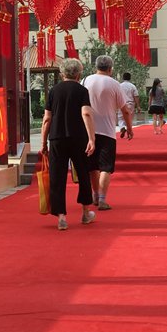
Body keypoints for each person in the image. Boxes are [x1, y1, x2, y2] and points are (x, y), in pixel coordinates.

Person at [41, 58, 96, 231]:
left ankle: (61, 217)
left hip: (57, 138)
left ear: (62, 74)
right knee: (83, 173)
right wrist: (91, 138)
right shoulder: (82, 90)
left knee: (57, 176)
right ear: (78, 74)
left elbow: (47, 118)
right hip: (78, 138)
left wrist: (43, 142)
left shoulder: (54, 91)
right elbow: (86, 113)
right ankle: (86, 213)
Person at [83, 55, 132, 211]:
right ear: (110, 68)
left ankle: (95, 195)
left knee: (92, 166)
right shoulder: (114, 84)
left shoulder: (85, 81)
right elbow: (125, 110)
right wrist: (129, 128)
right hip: (107, 131)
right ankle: (102, 200)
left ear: (96, 66)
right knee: (105, 167)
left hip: (88, 130)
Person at [117, 71, 140, 138]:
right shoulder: (132, 86)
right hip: (130, 104)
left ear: (123, 78)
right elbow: (136, 96)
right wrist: (138, 106)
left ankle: (122, 127)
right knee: (129, 119)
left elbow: (117, 95)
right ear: (130, 78)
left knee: (120, 118)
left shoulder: (119, 86)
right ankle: (128, 132)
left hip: (121, 103)